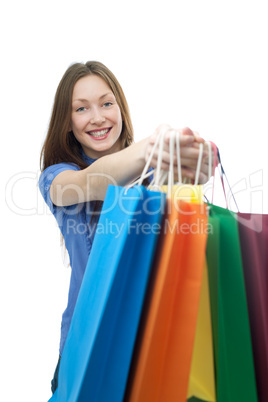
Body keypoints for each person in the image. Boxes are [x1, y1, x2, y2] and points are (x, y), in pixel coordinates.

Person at [39, 61, 211, 394]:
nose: (98, 116)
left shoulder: (154, 175)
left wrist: (195, 163)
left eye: (106, 103)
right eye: (81, 108)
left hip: (151, 341)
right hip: (87, 343)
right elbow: (92, 181)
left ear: (120, 108)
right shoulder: (57, 177)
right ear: (68, 121)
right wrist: (149, 149)